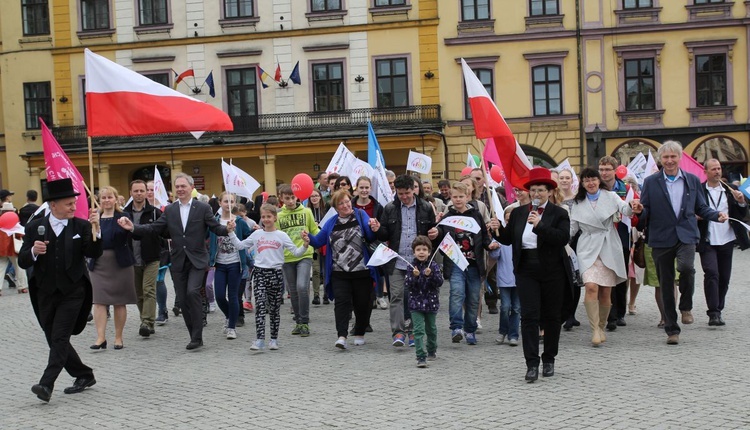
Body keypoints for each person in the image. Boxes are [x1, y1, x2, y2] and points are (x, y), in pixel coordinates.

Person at [118, 173, 229, 350]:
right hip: (178, 260)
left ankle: (197, 336)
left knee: (193, 292)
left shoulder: (202, 208)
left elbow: (215, 228)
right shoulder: (170, 210)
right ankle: (193, 334)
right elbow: (155, 228)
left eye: (183, 186)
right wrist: (133, 227)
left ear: (191, 188)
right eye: (177, 187)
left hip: (197, 259)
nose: (180, 189)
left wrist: (227, 229)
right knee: (183, 299)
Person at [633, 141, 727, 345]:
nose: (669, 161)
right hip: (660, 237)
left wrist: (716, 215)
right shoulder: (651, 182)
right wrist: (640, 211)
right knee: (665, 284)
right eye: (665, 157)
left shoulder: (692, 180)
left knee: (686, 267)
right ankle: (672, 329)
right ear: (661, 160)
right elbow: (646, 210)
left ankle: (686, 306)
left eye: (673, 157)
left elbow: (701, 207)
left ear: (679, 158)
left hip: (686, 234)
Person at [18, 178, 102, 402]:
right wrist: (34, 251)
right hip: (44, 292)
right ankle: (84, 374)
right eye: (68, 204)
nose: (74, 207)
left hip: (73, 291)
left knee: (60, 337)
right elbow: (23, 260)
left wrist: (97, 229)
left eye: (74, 203)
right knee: (54, 339)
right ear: (53, 205)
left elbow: (93, 252)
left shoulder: (82, 226)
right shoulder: (35, 227)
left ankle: (46, 384)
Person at [497, 167, 572, 382]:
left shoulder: (559, 214)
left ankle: (549, 358)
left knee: (551, 317)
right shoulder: (520, 212)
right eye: (533, 190)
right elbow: (509, 239)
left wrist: (540, 226)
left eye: (541, 190)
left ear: (549, 192)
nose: (536, 194)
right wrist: (496, 230)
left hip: (552, 270)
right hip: (526, 269)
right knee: (529, 316)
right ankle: (531, 362)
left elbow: (562, 238)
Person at [304, 190, 380, 349]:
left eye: (347, 202)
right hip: (339, 272)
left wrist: (374, 227)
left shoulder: (360, 215)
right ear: (336, 207)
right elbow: (318, 241)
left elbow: (371, 236)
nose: (345, 205)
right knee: (341, 304)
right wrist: (308, 237)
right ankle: (342, 335)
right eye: (341, 204)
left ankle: (359, 332)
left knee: (362, 303)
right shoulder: (331, 222)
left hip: (362, 270)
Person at [227, 204, 308, 351]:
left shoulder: (282, 236)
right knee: (260, 307)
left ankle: (274, 339)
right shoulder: (257, 234)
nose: (266, 219)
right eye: (263, 217)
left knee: (275, 309)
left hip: (276, 274)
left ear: (275, 217)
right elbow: (240, 245)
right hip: (259, 274)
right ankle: (259, 339)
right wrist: (231, 232)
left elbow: (296, 252)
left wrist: (305, 245)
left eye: (269, 216)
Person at [569, 168, 635, 346]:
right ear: (582, 184)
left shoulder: (611, 196)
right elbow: (572, 227)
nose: (590, 183)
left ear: (599, 181)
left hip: (608, 245)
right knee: (590, 286)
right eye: (586, 180)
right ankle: (594, 330)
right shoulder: (578, 202)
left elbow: (625, 210)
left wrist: (632, 206)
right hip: (588, 247)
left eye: (593, 179)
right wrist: (559, 238)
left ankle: (602, 325)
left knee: (606, 291)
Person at [375, 175, 438, 347]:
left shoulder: (425, 207)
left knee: (414, 296)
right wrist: (377, 230)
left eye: (407, 193)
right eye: (400, 193)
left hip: (419, 262)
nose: (404, 196)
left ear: (414, 189)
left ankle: (412, 331)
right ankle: (398, 332)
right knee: (396, 296)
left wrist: (435, 233)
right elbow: (384, 235)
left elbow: (433, 233)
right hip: (397, 260)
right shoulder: (390, 208)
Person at [436, 182, 499, 345]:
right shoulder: (448, 217)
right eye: (455, 197)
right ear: (450, 197)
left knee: (473, 299)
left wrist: (489, 244)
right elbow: (441, 239)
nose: (458, 200)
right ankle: (456, 327)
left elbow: (484, 236)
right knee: (457, 294)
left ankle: (470, 329)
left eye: (461, 196)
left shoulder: (475, 215)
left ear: (467, 197)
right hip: (456, 262)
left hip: (474, 263)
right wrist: (435, 233)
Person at [697, 159, 749, 326]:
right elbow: (692, 210)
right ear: (705, 172)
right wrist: (697, 215)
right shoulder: (699, 190)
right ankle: (713, 312)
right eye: (713, 169)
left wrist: (741, 201)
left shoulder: (730, 190)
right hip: (707, 239)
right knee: (712, 273)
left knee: (724, 277)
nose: (717, 172)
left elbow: (741, 214)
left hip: (727, 239)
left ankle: (719, 308)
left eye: (719, 168)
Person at [89, 186, 136, 350]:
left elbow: (119, 237)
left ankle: (118, 337)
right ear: (99, 200)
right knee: (99, 301)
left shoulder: (123, 217)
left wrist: (102, 229)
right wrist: (94, 227)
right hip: (99, 263)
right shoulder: (95, 217)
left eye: (110, 197)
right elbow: (90, 242)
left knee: (119, 301)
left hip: (119, 263)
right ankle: (100, 337)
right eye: (103, 198)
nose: (107, 200)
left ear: (116, 199)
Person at [598, 156, 636, 331]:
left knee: (620, 276)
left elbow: (636, 211)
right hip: (601, 238)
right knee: (606, 275)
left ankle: (620, 312)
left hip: (621, 236)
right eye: (602, 169)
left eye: (607, 169)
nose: (604, 173)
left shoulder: (626, 189)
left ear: (615, 170)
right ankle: (610, 315)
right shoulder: (594, 189)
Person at [276, 184, 320, 338]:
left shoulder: (306, 212)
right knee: (293, 291)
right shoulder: (279, 216)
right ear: (281, 198)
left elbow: (314, 230)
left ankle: (305, 322)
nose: (290, 201)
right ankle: (299, 322)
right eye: (287, 198)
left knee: (302, 286)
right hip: (287, 257)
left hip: (304, 254)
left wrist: (320, 237)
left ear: (298, 197)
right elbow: (276, 236)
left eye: (292, 197)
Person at [123, 180, 164, 336]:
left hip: (151, 257)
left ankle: (147, 322)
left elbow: (164, 232)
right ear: (131, 193)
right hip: (132, 258)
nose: (139, 193)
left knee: (148, 290)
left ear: (147, 192)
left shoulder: (154, 212)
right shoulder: (124, 213)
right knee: (138, 293)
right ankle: (145, 322)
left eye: (142, 190)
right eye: (136, 191)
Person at [208, 192, 251, 340]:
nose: (228, 204)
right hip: (219, 263)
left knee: (233, 296)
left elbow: (249, 236)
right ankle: (229, 316)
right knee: (219, 296)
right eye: (225, 201)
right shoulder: (214, 221)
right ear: (220, 203)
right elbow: (207, 237)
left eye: (231, 201)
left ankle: (232, 327)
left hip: (235, 263)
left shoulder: (239, 221)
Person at [404, 236, 443, 367]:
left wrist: (430, 275)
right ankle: (421, 355)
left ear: (429, 252)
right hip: (416, 304)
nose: (421, 252)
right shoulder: (411, 266)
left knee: (431, 329)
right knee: (418, 330)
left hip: (431, 304)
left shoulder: (434, 265)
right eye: (418, 249)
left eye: (424, 249)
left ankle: (432, 349)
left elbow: (439, 282)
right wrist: (414, 277)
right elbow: (408, 284)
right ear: (414, 252)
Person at [352, 176, 386, 310]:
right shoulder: (351, 205)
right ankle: (369, 297)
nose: (364, 190)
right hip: (356, 244)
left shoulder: (377, 206)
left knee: (378, 269)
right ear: (357, 188)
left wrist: (376, 227)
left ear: (371, 188)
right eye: (361, 187)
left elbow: (383, 226)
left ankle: (380, 296)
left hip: (374, 242)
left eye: (367, 187)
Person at [491, 206, 520, 347]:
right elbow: (494, 256)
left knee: (516, 308)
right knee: (505, 307)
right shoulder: (501, 236)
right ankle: (503, 331)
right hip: (504, 278)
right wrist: (494, 248)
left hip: (519, 278)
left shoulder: (521, 235)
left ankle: (513, 334)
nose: (509, 223)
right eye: (507, 220)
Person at [307, 188, 329, 305]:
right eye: (312, 196)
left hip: (325, 243)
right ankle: (316, 295)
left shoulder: (326, 210)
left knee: (326, 269)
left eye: (316, 195)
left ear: (320, 197)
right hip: (314, 244)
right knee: (315, 269)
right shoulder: (307, 211)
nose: (314, 198)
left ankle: (326, 293)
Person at [0, 202, 28, 295]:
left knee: (1, 268)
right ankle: (22, 286)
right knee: (19, 266)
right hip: (13, 247)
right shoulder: (15, 221)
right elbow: (20, 234)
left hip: (2, 248)